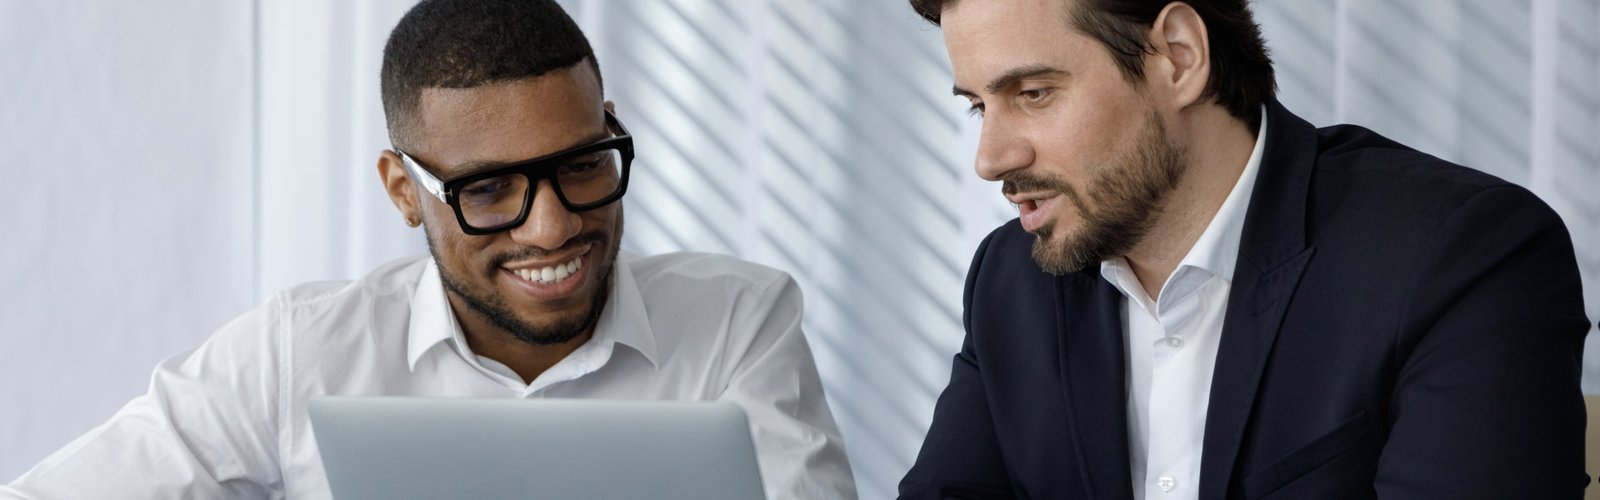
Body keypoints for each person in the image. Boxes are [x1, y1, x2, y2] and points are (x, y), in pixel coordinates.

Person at [2, 1, 856, 498]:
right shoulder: (299, 352)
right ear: (403, 190)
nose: (552, 227)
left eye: (583, 164)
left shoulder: (740, 323)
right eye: (488, 189)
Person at [899, 0, 1590, 499]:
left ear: (1179, 58)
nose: (991, 158)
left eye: (1033, 93)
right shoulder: (1012, 279)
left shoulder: (1462, 253)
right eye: (979, 106)